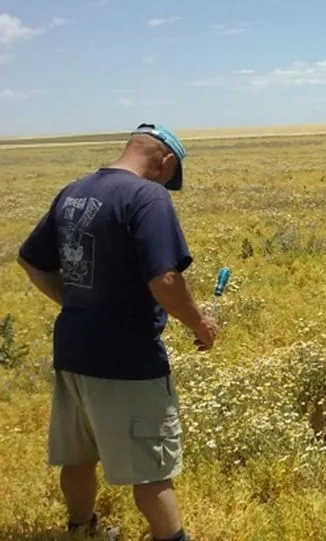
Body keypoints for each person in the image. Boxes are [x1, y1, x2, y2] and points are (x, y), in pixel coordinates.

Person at [17, 122, 217, 541]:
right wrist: (200, 324)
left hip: (73, 350)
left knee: (79, 455)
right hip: (127, 357)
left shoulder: (73, 191)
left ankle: (80, 529)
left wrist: (74, 302)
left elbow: (32, 260)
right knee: (152, 469)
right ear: (163, 161)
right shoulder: (148, 196)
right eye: (168, 172)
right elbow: (165, 280)